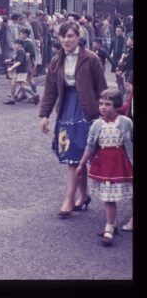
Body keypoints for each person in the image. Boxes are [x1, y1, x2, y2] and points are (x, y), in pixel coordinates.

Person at [39, 21, 108, 218]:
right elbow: (50, 91)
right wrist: (44, 115)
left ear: (78, 37)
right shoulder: (55, 61)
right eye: (62, 36)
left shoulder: (91, 59)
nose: (66, 40)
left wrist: (107, 114)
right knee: (72, 156)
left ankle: (75, 196)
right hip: (67, 110)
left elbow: (102, 89)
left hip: (88, 111)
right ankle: (78, 195)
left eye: (70, 36)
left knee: (83, 155)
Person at [76, 89, 133, 247]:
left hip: (120, 164)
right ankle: (111, 224)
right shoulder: (96, 124)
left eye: (107, 104)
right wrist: (81, 164)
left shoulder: (125, 122)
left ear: (116, 105)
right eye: (101, 104)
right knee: (107, 196)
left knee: (112, 197)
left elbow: (131, 141)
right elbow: (90, 145)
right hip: (103, 164)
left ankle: (110, 226)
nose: (103, 107)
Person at [3, 39, 40, 105]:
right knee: (13, 83)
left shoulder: (21, 52)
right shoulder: (18, 51)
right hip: (18, 70)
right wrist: (9, 60)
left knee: (22, 86)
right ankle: (12, 99)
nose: (14, 45)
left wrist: (11, 68)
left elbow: (19, 62)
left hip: (21, 71)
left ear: (20, 45)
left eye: (15, 44)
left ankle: (35, 95)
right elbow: (16, 58)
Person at [108, 25, 126, 93]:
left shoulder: (124, 40)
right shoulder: (113, 39)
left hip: (121, 59)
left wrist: (122, 59)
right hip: (114, 59)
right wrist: (107, 57)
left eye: (119, 31)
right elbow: (110, 49)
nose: (117, 32)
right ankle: (120, 88)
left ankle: (121, 90)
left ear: (122, 32)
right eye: (116, 30)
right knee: (117, 75)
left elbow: (125, 51)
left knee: (119, 74)